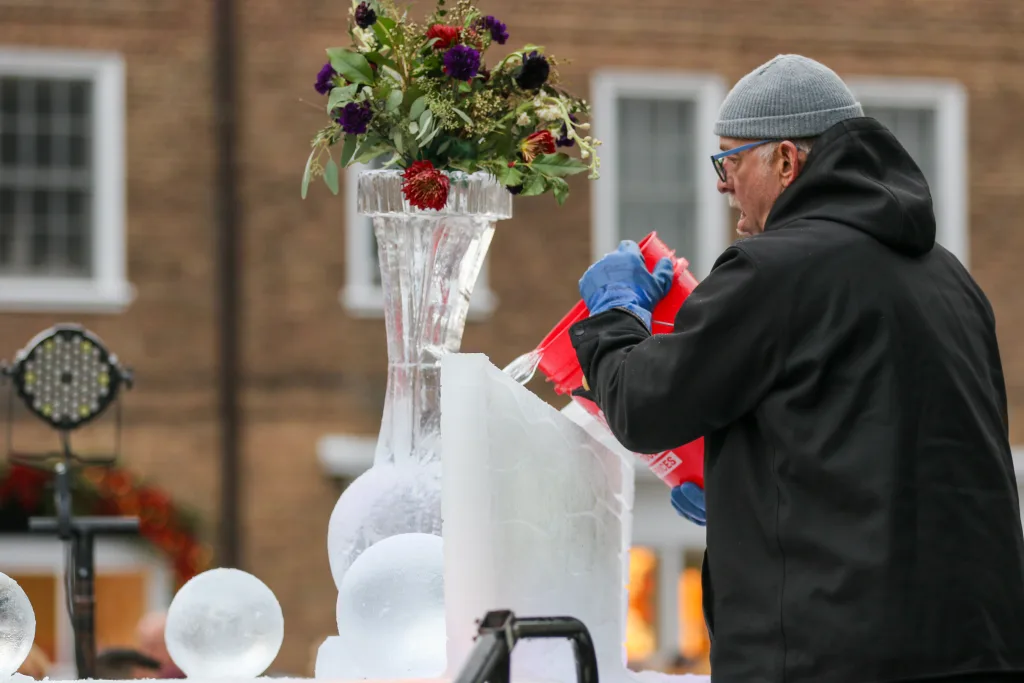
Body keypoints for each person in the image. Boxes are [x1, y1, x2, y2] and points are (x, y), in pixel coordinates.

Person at [571, 54, 1024, 683]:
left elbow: (643, 406)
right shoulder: (951, 281)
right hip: (977, 650)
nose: (722, 183)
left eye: (729, 160)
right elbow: (877, 458)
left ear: (785, 160)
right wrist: (744, 498)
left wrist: (612, 321)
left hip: (829, 656)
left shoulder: (773, 269)